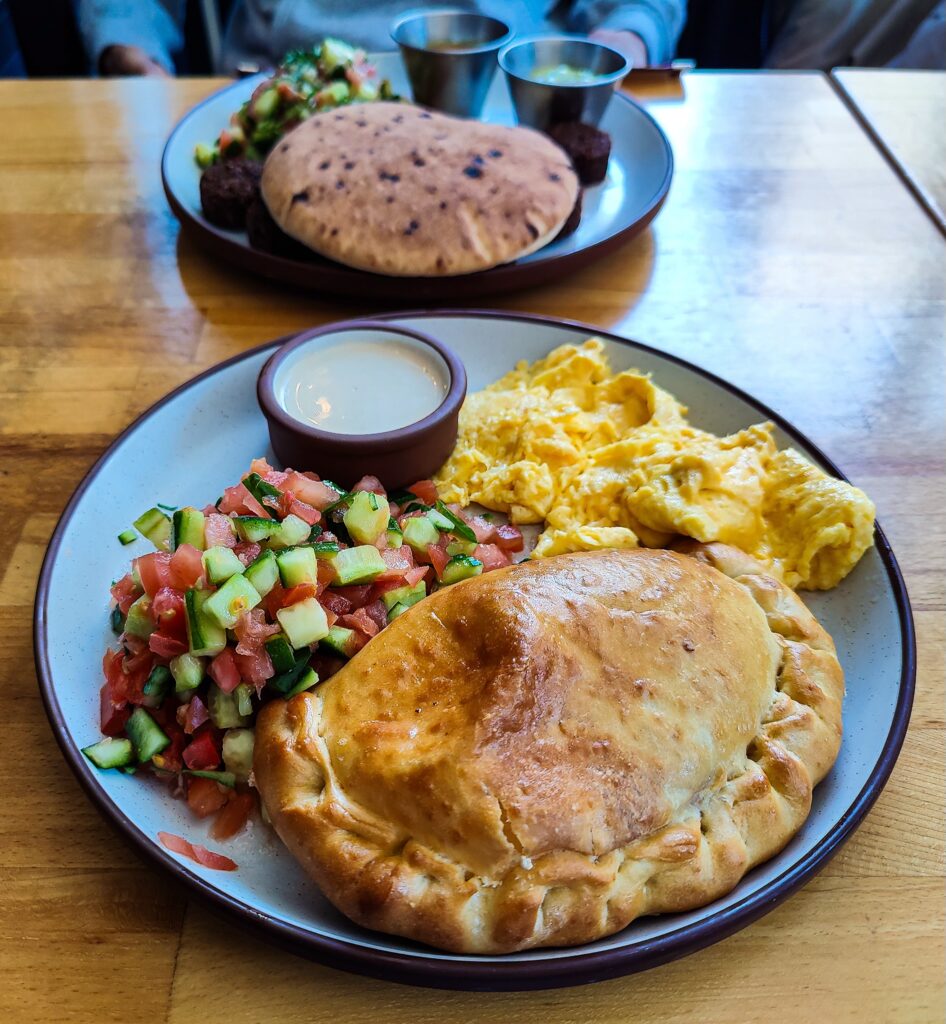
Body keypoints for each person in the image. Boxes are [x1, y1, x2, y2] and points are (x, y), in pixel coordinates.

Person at [78, 0, 686, 77]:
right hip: (285, 80)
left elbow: (638, 9)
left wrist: (622, 43)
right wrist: (133, 56)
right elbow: (129, 11)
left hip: (519, 83)